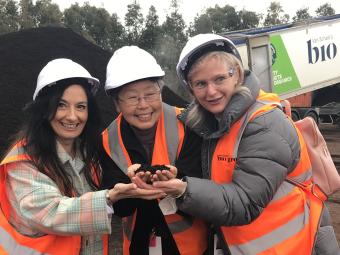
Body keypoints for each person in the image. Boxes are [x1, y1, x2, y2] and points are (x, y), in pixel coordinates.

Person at [140, 34, 340, 254]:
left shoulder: (265, 124)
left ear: (236, 74)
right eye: (200, 84)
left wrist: (184, 190)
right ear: (191, 90)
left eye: (219, 79)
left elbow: (245, 202)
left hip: (293, 247)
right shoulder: (213, 123)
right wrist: (177, 177)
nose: (211, 91)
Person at [0, 58, 165, 255]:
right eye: (61, 105)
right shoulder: (23, 162)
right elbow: (49, 212)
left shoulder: (89, 155)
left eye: (80, 107)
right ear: (44, 109)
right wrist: (110, 196)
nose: (72, 116)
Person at [100, 45, 208, 255]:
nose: (143, 105)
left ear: (161, 92)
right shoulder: (107, 140)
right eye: (132, 98)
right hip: (139, 245)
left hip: (188, 246)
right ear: (116, 103)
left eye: (150, 94)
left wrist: (180, 180)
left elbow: (203, 183)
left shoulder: (187, 125)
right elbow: (121, 209)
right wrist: (128, 190)